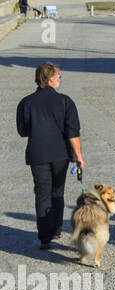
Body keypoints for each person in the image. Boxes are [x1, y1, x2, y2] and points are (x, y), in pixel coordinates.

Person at [16, 62, 86, 249]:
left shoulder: (26, 102)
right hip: (60, 154)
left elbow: (22, 131)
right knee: (57, 192)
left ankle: (45, 238)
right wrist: (79, 156)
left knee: (42, 193)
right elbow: (73, 132)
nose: (60, 80)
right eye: (59, 77)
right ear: (52, 79)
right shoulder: (65, 101)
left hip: (37, 153)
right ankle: (56, 229)